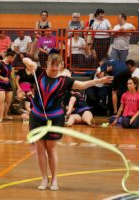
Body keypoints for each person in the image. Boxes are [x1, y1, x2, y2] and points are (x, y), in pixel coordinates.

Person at [22, 54, 113, 191]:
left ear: (61, 66)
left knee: (51, 149)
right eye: (52, 65)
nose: (54, 68)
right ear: (47, 64)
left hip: (55, 118)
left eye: (57, 65)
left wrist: (98, 81)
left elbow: (82, 85)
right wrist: (29, 62)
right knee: (40, 148)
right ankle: (44, 178)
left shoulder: (65, 81)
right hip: (37, 117)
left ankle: (54, 179)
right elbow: (25, 60)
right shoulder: (39, 72)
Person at [0, 49, 16, 123]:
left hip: (7, 84)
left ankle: (5, 115)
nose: (14, 59)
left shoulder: (9, 64)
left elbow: (10, 74)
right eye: (13, 58)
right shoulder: (1, 64)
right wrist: (3, 78)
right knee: (1, 102)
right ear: (9, 57)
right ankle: (0, 118)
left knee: (8, 101)